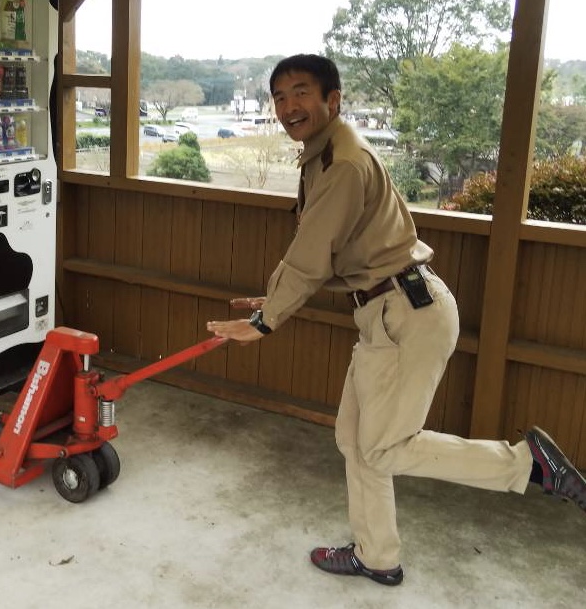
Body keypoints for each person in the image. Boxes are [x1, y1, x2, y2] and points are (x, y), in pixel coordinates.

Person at [206, 53, 586, 587]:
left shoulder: (342, 163)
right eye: (279, 96)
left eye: (301, 92)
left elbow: (310, 255)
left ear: (332, 100)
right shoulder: (324, 154)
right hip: (386, 313)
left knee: (385, 446)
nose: (289, 106)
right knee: (355, 439)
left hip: (405, 315)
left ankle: (526, 465)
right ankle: (377, 556)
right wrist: (271, 302)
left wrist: (268, 321)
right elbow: (321, 251)